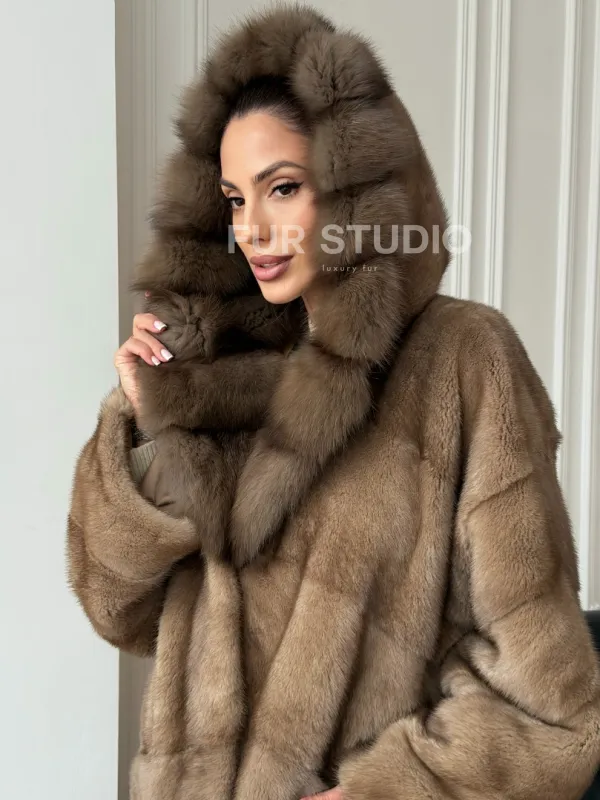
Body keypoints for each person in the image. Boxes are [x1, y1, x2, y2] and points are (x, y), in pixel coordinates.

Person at [66, 5, 600, 800]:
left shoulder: (463, 358)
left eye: (282, 187)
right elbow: (120, 612)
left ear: (359, 191)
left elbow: (552, 703)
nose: (253, 229)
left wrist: (389, 790)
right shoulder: (215, 369)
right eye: (234, 199)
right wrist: (153, 425)